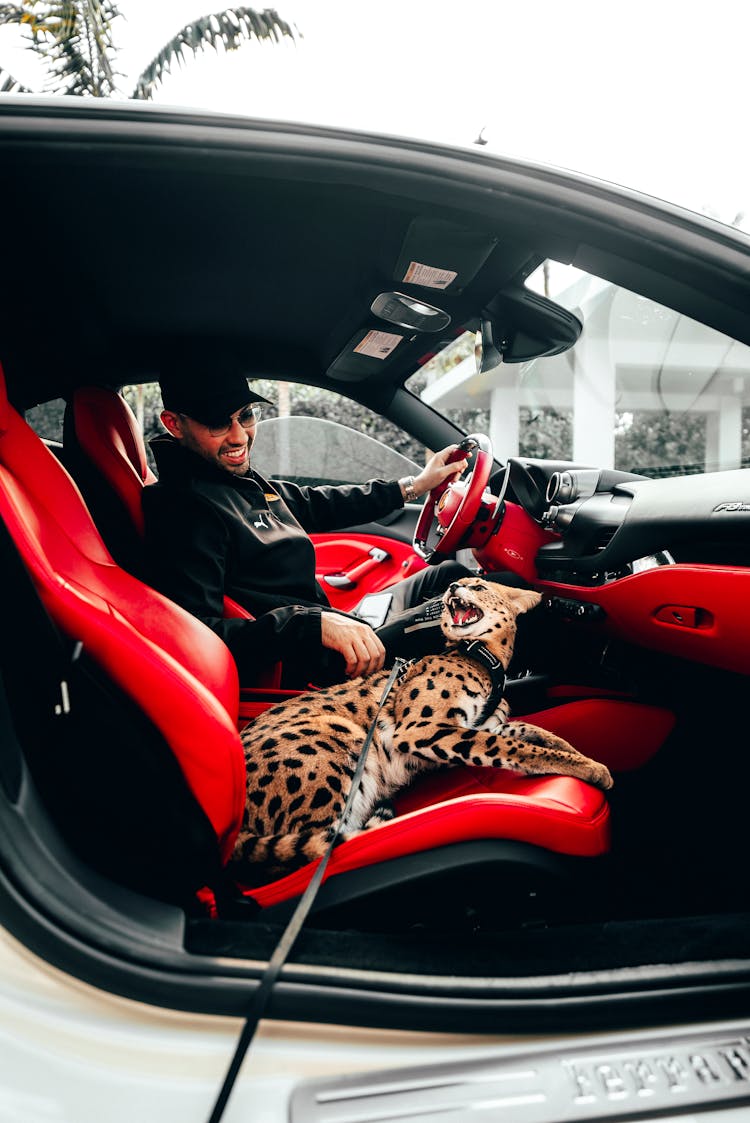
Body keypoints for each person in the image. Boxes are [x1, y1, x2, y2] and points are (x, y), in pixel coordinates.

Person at [142, 359, 481, 689]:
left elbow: (314, 503)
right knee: (485, 603)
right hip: (318, 663)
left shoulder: (232, 481)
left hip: (335, 626)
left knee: (450, 575)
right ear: (174, 423)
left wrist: (416, 485)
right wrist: (308, 625)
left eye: (245, 416)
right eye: (217, 422)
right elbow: (195, 634)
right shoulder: (182, 508)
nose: (239, 437)